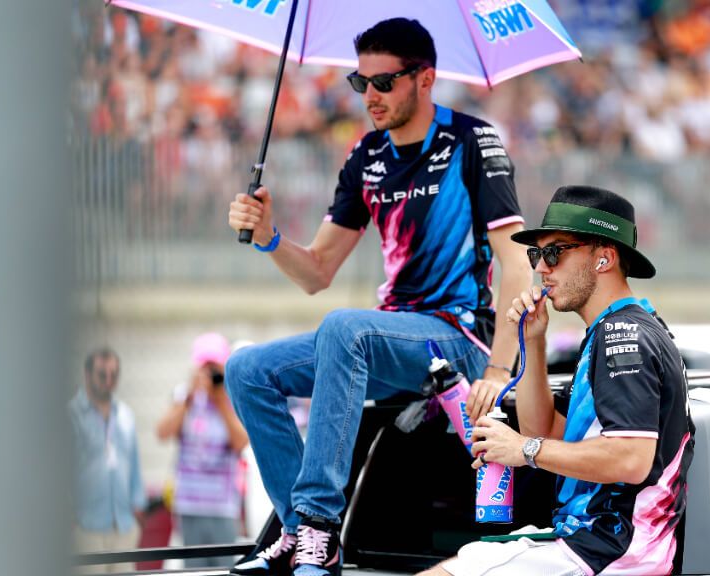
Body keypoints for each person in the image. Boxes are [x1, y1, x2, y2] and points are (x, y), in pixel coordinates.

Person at [225, 17, 531, 576]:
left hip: (456, 341)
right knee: (246, 368)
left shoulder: (472, 140)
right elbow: (317, 270)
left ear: (426, 78)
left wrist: (499, 368)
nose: (370, 96)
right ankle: (299, 533)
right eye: (359, 82)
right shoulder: (366, 155)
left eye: (384, 82)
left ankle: (320, 526)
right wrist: (269, 236)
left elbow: (518, 263)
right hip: (385, 341)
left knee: (346, 327)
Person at [420, 186, 695, 576]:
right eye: (536, 254)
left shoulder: (623, 335)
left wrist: (523, 448)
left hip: (611, 550)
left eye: (554, 252)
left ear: (604, 258)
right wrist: (533, 342)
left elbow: (631, 459)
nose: (540, 267)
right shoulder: (610, 332)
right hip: (591, 543)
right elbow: (545, 430)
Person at [156, 332, 249, 568]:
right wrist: (188, 397)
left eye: (214, 366)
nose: (209, 373)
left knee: (224, 568)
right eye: (204, 366)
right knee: (194, 570)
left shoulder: (231, 397)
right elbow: (163, 432)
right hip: (189, 503)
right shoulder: (184, 397)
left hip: (223, 505)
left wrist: (219, 401)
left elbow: (241, 442)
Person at [70, 347, 147, 574]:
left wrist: (138, 510)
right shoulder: (71, 414)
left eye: (114, 374)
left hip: (123, 525)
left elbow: (134, 464)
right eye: (102, 374)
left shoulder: (125, 415)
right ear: (87, 374)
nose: (109, 381)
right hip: (86, 527)